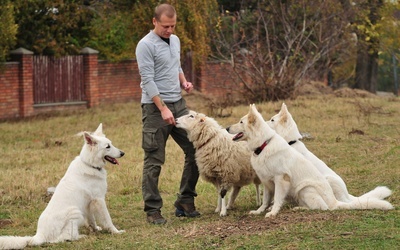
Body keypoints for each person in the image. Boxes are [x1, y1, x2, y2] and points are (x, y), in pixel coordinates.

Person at [135, 3, 201, 225]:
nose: (170, 30)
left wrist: (184, 81)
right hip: (155, 109)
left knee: (196, 150)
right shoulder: (145, 46)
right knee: (154, 159)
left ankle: (185, 200)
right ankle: (153, 210)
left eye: (173, 26)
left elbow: (176, 66)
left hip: (179, 104)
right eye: (165, 26)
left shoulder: (175, 40)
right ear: (154, 22)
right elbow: (148, 80)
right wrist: (162, 108)